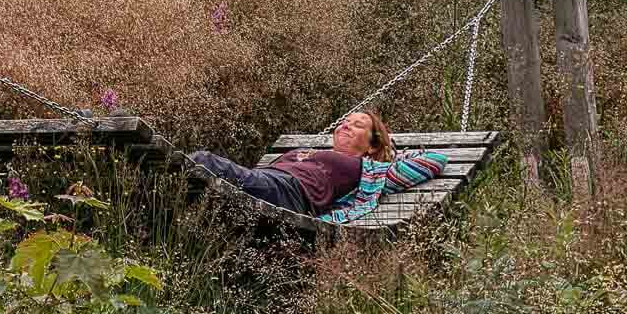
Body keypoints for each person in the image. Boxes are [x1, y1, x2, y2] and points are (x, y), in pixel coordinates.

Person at [186, 111, 447, 223]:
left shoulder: (366, 169)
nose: (346, 125)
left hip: (290, 193)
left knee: (204, 161)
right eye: (345, 121)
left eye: (358, 125)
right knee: (197, 170)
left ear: (371, 145)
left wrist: (390, 153)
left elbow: (435, 160)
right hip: (266, 180)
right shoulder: (316, 153)